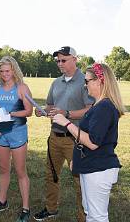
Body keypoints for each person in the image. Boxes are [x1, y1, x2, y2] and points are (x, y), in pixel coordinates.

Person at [53, 63, 125, 222]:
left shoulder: (104, 107)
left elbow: (92, 142)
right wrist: (77, 160)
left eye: (87, 81)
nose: (85, 85)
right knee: (90, 212)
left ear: (99, 81)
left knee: (97, 216)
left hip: (99, 169)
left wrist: (66, 123)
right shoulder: (98, 105)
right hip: (91, 165)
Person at [34, 46, 93, 222]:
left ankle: (84, 217)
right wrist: (43, 110)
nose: (60, 63)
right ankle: (51, 209)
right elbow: (51, 106)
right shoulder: (56, 82)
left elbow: (90, 109)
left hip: (75, 139)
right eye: (58, 60)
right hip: (54, 137)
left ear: (75, 59)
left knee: (79, 180)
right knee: (51, 174)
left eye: (63, 60)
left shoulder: (85, 81)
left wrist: (66, 113)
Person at [0, 56, 33, 222]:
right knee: (4, 169)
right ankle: (2, 201)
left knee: (21, 171)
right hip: (1, 132)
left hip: (18, 132)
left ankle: (26, 208)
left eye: (8, 70)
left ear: (14, 70)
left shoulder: (22, 88)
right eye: (2, 71)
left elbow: (28, 111)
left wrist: (8, 113)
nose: (5, 74)